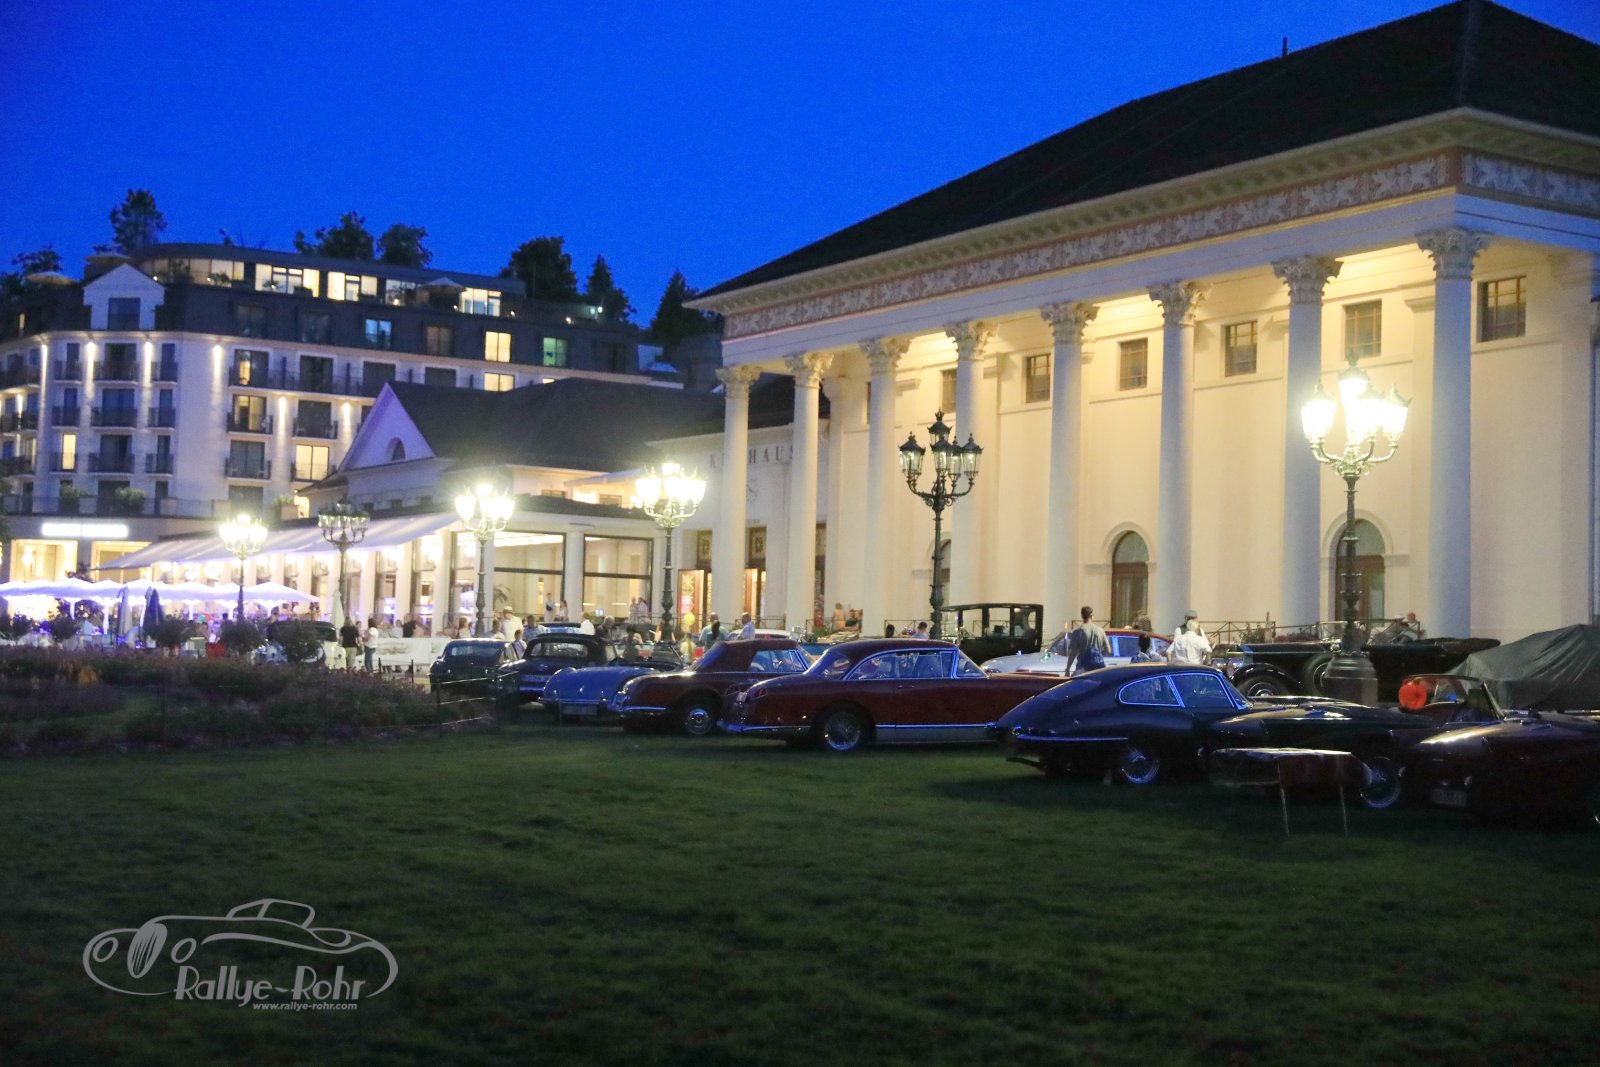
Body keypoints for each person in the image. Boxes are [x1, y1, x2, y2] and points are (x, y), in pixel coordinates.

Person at [1066, 605, 1111, 674]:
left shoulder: (1078, 631)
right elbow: (1108, 651)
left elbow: (1073, 653)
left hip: (1083, 668)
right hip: (1099, 668)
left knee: (1075, 680)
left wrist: (1068, 668)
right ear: (1091, 616)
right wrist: (1098, 653)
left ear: (1082, 616)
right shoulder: (1100, 631)